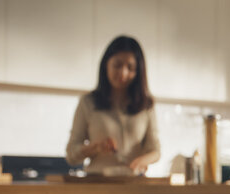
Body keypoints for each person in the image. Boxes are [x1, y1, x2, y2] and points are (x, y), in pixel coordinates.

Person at [66, 35, 160, 174]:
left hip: (135, 186)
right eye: (117, 65)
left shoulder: (146, 105)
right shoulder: (88, 102)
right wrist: (95, 148)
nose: (123, 73)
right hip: (96, 185)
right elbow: (71, 155)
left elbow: (155, 150)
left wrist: (142, 161)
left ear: (138, 71)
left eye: (130, 67)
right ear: (106, 64)